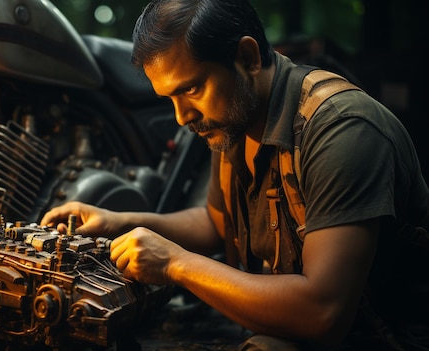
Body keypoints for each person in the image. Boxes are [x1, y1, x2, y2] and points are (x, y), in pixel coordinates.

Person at [40, 0, 429, 350]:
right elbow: (216, 222)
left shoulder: (342, 131)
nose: (181, 117)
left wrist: (175, 264)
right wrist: (121, 223)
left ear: (248, 56)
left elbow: (322, 314)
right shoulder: (234, 118)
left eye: (191, 89)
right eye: (170, 99)